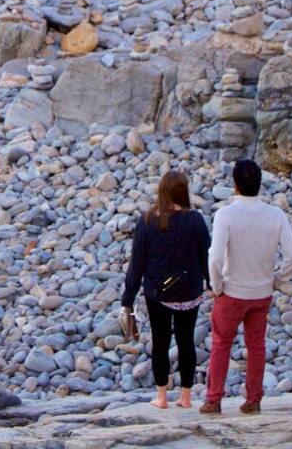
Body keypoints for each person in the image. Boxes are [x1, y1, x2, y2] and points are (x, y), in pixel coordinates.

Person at [201, 160, 292, 415]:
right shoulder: (275, 215)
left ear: (234, 185)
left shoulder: (226, 214)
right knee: (256, 345)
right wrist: (278, 279)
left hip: (232, 291)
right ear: (259, 184)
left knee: (221, 343)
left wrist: (217, 285)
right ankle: (253, 399)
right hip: (262, 292)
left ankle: (214, 400)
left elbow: (215, 256)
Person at [121, 171, 211, 409]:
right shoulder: (195, 220)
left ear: (161, 191)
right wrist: (214, 285)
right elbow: (206, 257)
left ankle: (161, 397)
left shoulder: (149, 220)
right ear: (184, 192)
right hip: (190, 292)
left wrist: (127, 299)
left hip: (158, 293)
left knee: (160, 342)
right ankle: (186, 397)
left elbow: (136, 265)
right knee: (186, 341)